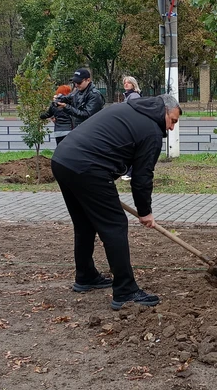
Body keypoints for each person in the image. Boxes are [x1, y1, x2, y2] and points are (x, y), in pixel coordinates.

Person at [50, 94, 182, 310]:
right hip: (88, 166)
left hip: (63, 160)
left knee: (85, 224)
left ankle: (85, 276)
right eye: (173, 121)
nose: (171, 128)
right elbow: (142, 177)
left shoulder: (129, 109)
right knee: (115, 225)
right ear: (164, 112)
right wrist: (145, 211)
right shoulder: (151, 131)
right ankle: (126, 291)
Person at [119, 76, 141, 180]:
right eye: (125, 83)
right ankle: (128, 171)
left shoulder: (134, 96)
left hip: (131, 126)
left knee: (130, 149)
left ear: (133, 84)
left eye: (129, 83)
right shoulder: (128, 96)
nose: (126, 84)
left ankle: (129, 173)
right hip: (128, 125)